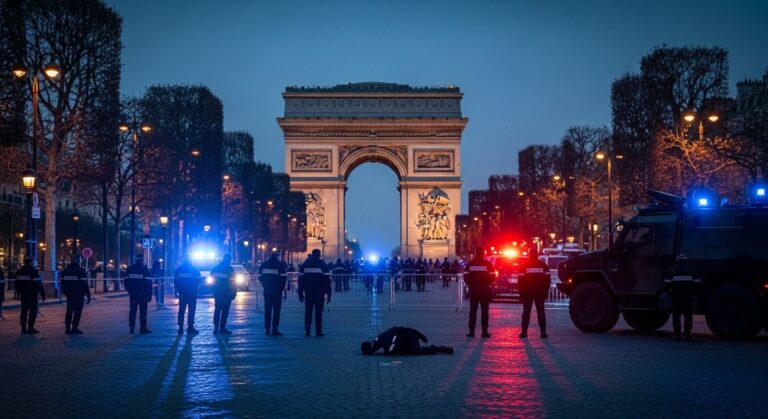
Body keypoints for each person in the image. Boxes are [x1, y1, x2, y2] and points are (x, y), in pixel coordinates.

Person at [665, 254, 700, 341]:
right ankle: (687, 336)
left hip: (676, 297)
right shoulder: (692, 270)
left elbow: (667, 283)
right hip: (688, 297)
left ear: (677, 260)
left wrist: (670, 291)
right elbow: (698, 283)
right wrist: (694, 292)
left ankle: (677, 335)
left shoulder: (672, 270)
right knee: (688, 316)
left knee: (676, 316)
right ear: (686, 260)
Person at [298, 249, 331, 337]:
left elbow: (300, 280)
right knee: (318, 312)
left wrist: (300, 293)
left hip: (308, 292)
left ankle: (307, 331)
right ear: (319, 255)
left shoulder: (305, 264)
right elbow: (327, 281)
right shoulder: (323, 264)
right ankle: (318, 331)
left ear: (312, 255)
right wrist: (329, 294)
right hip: (320, 292)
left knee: (308, 312)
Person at [518, 248, 550, 338]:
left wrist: (521, 293)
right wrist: (545, 291)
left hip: (527, 292)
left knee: (526, 312)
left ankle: (524, 332)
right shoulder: (543, 265)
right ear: (537, 254)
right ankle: (543, 332)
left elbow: (520, 281)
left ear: (529, 254)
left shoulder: (524, 265)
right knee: (541, 312)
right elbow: (548, 280)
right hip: (540, 292)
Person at [464, 247, 494, 338]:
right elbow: (493, 277)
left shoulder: (470, 264)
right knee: (485, 311)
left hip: (473, 290)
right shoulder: (488, 264)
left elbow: (465, 276)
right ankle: (484, 331)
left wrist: (470, 285)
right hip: (485, 290)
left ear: (476, 253)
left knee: (473, 311)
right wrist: (487, 284)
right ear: (483, 253)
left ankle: (471, 331)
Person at [360, 326, 453, 355]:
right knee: (413, 351)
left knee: (416, 351)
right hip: (407, 336)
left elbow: (391, 348)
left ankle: (439, 349)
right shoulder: (378, 340)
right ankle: (436, 349)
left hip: (409, 336)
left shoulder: (380, 341)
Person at [258, 252, 287, 336]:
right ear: (277, 257)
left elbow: (259, 276)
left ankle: (267, 330)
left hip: (267, 290)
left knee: (267, 310)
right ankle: (275, 329)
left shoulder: (264, 265)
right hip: (277, 291)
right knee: (276, 310)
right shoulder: (280, 265)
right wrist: (281, 289)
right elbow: (283, 278)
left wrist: (264, 284)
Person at [60, 257, 91, 334]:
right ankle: (74, 328)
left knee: (69, 311)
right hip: (79, 294)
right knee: (77, 312)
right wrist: (88, 295)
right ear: (79, 261)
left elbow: (62, 283)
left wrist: (65, 292)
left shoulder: (65, 271)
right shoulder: (81, 271)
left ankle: (67, 329)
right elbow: (85, 284)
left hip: (69, 295)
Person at [15, 257, 45, 334]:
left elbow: (16, 284)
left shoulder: (19, 271)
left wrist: (19, 292)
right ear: (31, 262)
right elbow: (38, 283)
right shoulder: (33, 271)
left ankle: (23, 329)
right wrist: (42, 293)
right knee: (33, 312)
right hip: (32, 294)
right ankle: (30, 328)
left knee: (24, 311)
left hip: (23, 294)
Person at [125, 254, 153, 334]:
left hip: (133, 294)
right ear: (142, 260)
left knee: (133, 310)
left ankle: (132, 327)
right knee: (143, 311)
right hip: (143, 294)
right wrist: (149, 295)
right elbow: (149, 283)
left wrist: (129, 290)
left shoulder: (130, 269)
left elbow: (126, 280)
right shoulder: (145, 270)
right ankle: (142, 328)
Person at [174, 256, 201, 335]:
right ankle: (190, 327)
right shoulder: (195, 269)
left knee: (182, 309)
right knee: (191, 310)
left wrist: (179, 290)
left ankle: (180, 328)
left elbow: (175, 281)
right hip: (192, 293)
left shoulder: (179, 269)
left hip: (182, 293)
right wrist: (195, 290)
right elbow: (199, 281)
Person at [210, 253, 236, 335]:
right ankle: (222, 328)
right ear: (228, 260)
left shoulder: (215, 268)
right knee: (225, 310)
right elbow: (233, 283)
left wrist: (213, 290)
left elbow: (211, 281)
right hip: (227, 293)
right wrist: (234, 292)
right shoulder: (230, 269)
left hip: (218, 293)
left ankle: (216, 327)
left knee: (217, 309)